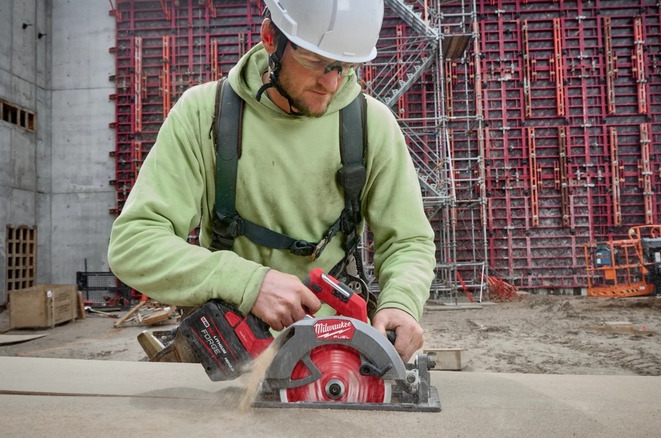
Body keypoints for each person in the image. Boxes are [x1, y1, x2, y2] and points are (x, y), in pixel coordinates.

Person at [107, 0, 436, 362]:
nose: (331, 82)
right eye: (314, 62)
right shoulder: (204, 114)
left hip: (337, 355)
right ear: (269, 38)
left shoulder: (371, 125)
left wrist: (401, 302)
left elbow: (408, 241)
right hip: (230, 348)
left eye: (345, 66)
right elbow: (133, 244)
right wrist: (248, 283)